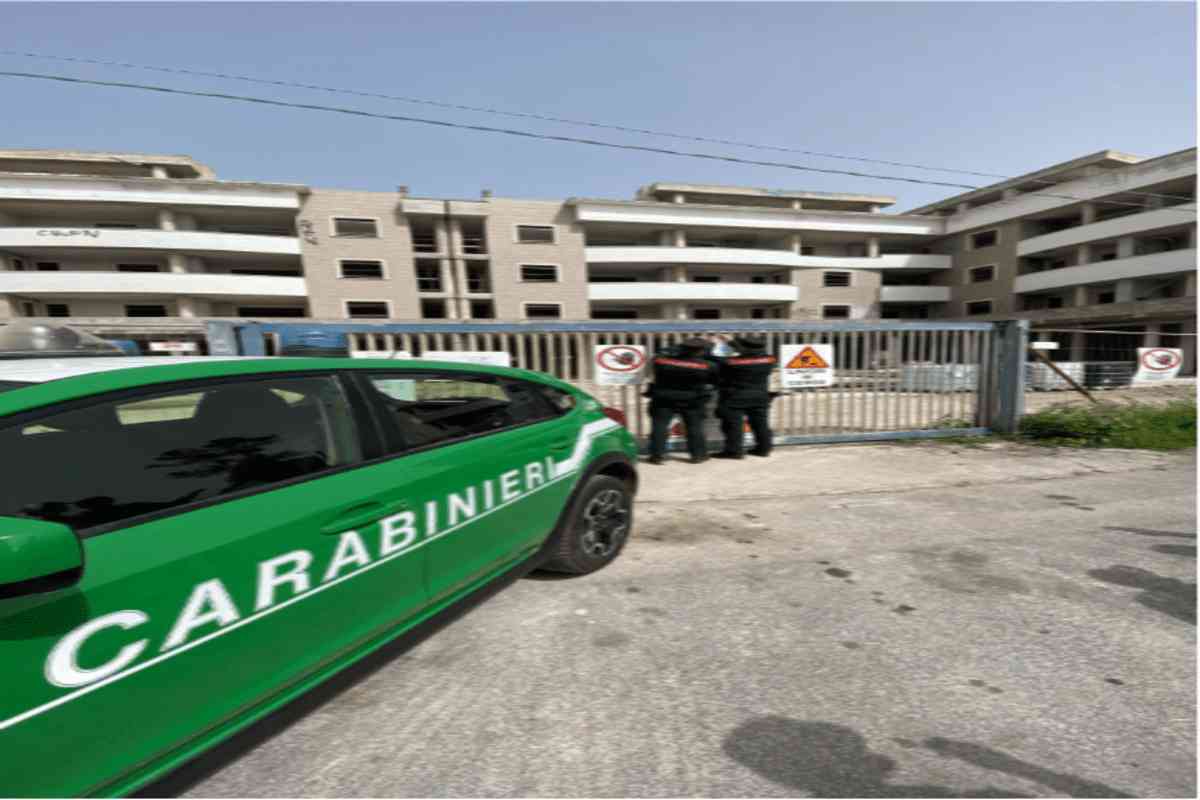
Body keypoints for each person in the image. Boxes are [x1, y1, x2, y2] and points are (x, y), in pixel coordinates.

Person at [645, 337, 719, 465]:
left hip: (664, 398)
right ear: (701, 351)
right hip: (693, 400)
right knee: (694, 428)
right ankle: (698, 455)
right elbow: (714, 381)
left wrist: (675, 348)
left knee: (660, 427)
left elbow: (658, 355)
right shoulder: (708, 366)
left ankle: (657, 456)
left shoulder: (662, 361)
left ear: (682, 348)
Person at [712, 335, 778, 459]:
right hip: (760, 397)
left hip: (735, 398)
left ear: (745, 348)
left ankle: (734, 451)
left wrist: (710, 344)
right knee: (761, 424)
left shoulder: (732, 362)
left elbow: (714, 360)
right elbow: (749, 353)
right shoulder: (769, 360)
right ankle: (764, 449)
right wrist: (732, 342)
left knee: (733, 425)